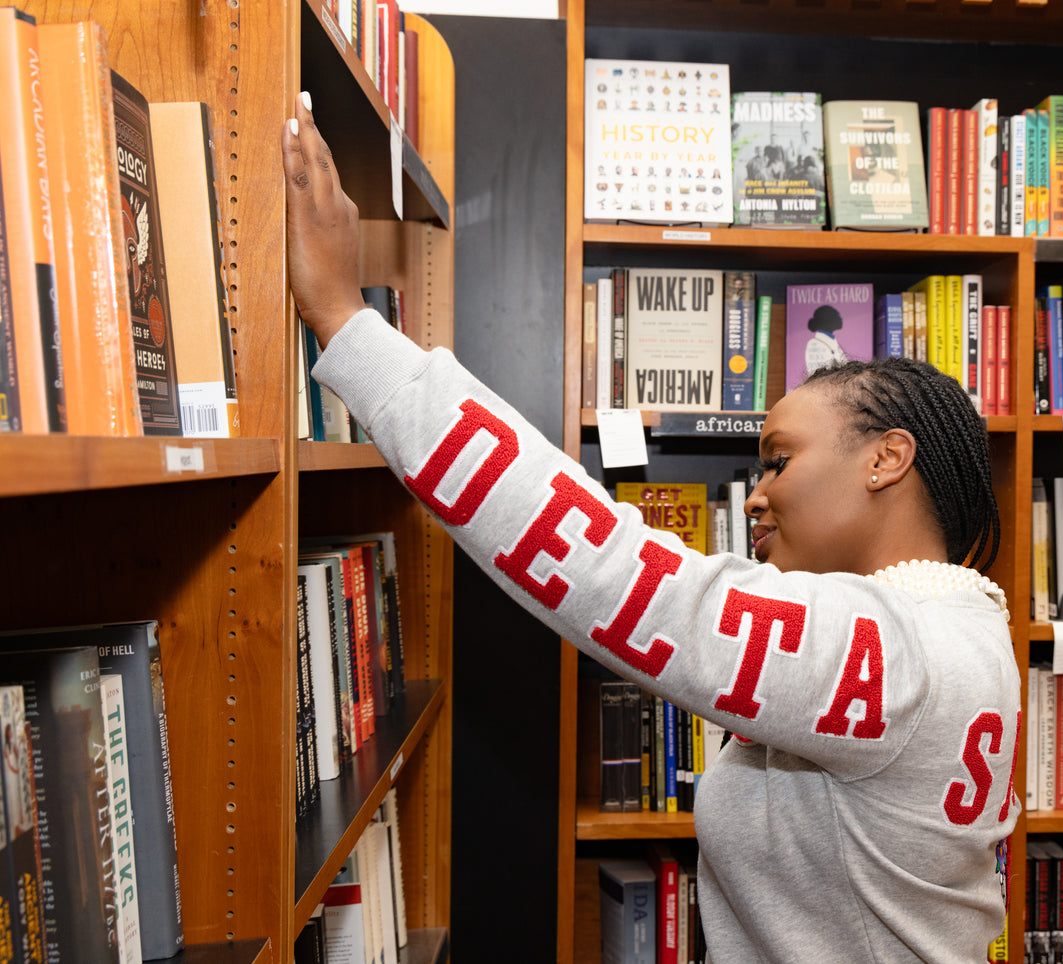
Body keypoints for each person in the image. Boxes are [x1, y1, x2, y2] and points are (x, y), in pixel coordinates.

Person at [283, 92, 1019, 963]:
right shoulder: (959, 630)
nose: (754, 496)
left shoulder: (893, 651)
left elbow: (610, 567)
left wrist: (344, 318)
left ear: (886, 460)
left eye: (779, 460)